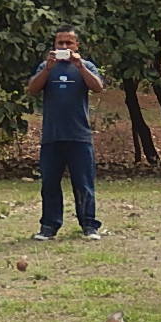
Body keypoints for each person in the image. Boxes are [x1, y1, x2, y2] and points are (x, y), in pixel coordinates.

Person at [25, 26, 104, 240]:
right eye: (61, 43)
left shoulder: (85, 66)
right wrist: (47, 69)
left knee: (84, 183)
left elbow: (98, 87)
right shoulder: (46, 66)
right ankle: (49, 227)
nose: (65, 47)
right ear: (54, 45)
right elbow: (32, 89)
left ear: (76, 45)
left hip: (79, 136)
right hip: (52, 136)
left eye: (69, 43)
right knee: (49, 184)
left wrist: (80, 66)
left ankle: (89, 225)